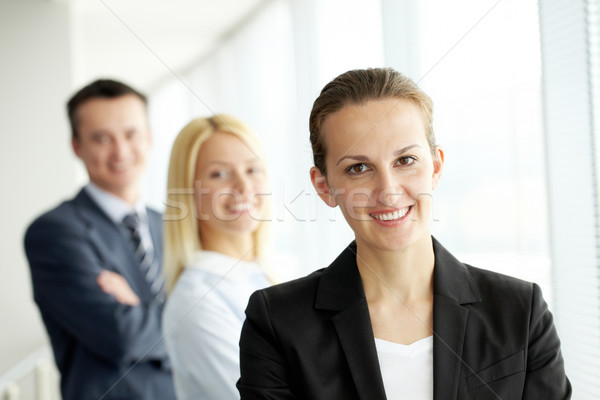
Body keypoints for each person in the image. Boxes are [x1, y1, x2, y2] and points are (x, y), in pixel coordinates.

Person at [237, 68, 572, 399]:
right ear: (324, 187)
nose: (389, 192)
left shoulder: (519, 312)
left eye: (405, 160)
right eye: (358, 168)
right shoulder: (277, 323)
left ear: (436, 167)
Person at [24, 79, 176, 399]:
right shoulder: (54, 232)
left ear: (148, 138)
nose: (120, 151)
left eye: (131, 134)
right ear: (76, 146)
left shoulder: (169, 225)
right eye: (101, 138)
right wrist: (181, 315)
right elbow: (122, 335)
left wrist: (142, 310)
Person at [162, 115, 272, 400]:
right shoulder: (196, 302)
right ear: (188, 192)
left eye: (252, 169)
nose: (244, 186)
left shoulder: (264, 275)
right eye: (219, 174)